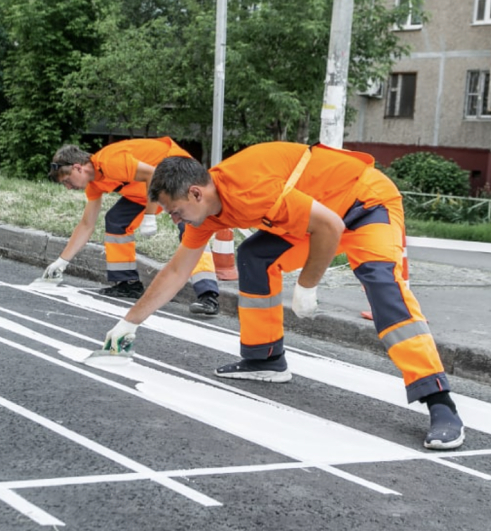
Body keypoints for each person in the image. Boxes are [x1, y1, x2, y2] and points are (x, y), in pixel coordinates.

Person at [101, 142, 465, 451]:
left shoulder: (248, 187)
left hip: (364, 205)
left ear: (196, 193)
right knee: (255, 257)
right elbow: (177, 271)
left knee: (383, 286)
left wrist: (307, 284)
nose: (175, 219)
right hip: (317, 215)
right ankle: (265, 359)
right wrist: (129, 322)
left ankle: (438, 400)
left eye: (176, 211)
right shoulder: (206, 214)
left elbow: (331, 227)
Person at [44, 138, 221, 315]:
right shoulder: (95, 184)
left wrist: (149, 216)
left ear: (77, 167)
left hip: (176, 172)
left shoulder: (109, 161)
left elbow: (152, 175)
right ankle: (128, 283)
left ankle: (208, 295)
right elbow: (87, 224)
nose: (68, 187)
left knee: (190, 227)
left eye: (67, 180)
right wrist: (61, 262)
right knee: (116, 220)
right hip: (147, 190)